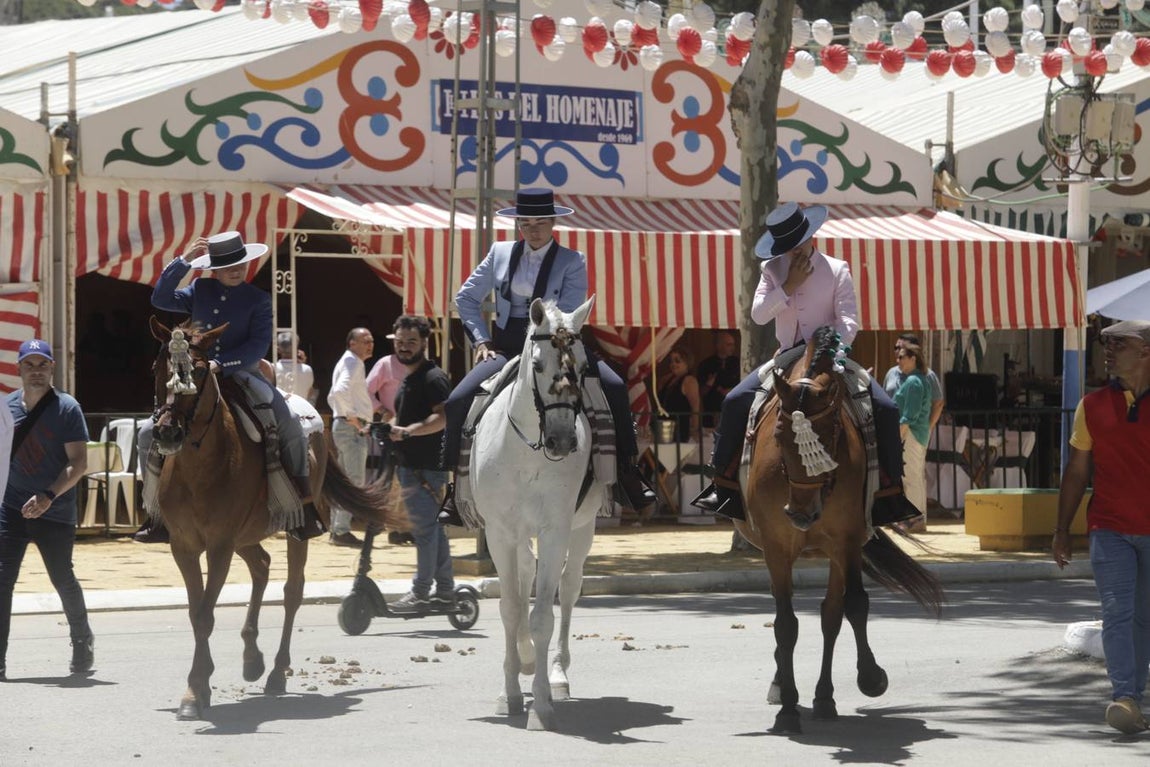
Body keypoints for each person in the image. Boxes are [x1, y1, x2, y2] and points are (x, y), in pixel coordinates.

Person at [692, 202, 917, 526]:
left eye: (797, 244)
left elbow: (849, 321)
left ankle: (891, 494)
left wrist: (831, 355)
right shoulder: (771, 271)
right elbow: (757, 314)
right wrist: (789, 285)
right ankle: (722, 486)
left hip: (831, 354)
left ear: (811, 237)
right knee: (735, 400)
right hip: (787, 355)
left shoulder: (837, 269)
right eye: (786, 247)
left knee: (885, 407)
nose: (792, 252)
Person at [438, 188, 655, 523]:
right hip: (507, 347)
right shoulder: (499, 253)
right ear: (518, 224)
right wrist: (481, 340)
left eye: (540, 222)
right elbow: (465, 298)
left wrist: (550, 345)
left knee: (613, 386)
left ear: (553, 222)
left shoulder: (572, 260)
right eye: (526, 222)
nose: (532, 228)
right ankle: (455, 492)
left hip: (557, 347)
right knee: (457, 400)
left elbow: (567, 315)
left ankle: (628, 474)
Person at [137, 232, 325, 544]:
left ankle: (301, 506)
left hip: (242, 374)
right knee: (147, 432)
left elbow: (256, 346)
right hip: (196, 377)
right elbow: (159, 299)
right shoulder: (200, 288)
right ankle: (155, 510)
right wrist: (183, 261)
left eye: (239, 263)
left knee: (288, 422)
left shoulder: (258, 299)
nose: (235, 270)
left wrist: (221, 365)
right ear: (212, 268)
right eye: (226, 265)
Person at [1054, 320, 1150, 735]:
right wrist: (1061, 528)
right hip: (1108, 526)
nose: (1108, 351)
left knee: (1143, 618)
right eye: (1105, 343)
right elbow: (1077, 472)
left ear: (1146, 351)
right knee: (1117, 612)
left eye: (1119, 344)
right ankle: (1124, 696)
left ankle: (1136, 698)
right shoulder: (1090, 406)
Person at [0, 340, 93, 680]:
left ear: (52, 368)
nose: (36, 371)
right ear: (18, 369)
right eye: (29, 365)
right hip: (10, 509)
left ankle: (82, 643)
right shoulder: (6, 406)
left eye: (42, 365)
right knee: (2, 582)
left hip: (53, 509)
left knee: (62, 579)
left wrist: (47, 496)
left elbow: (79, 463)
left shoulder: (67, 408)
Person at [383, 315, 454, 608]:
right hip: (411, 467)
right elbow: (404, 416)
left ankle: (421, 592)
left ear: (424, 343)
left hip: (427, 468)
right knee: (433, 530)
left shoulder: (433, 377)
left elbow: (443, 417)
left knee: (424, 531)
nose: (405, 347)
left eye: (411, 342)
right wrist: (388, 425)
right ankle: (446, 591)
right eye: (400, 342)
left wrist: (409, 431)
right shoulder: (410, 378)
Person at [327, 327, 375, 547]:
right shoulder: (353, 362)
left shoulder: (348, 361)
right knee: (354, 481)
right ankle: (340, 530)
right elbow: (338, 391)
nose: (370, 344)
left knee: (346, 479)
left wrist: (344, 415)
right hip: (350, 427)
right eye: (365, 340)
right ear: (351, 343)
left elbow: (332, 395)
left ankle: (337, 529)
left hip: (343, 426)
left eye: (371, 341)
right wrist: (352, 418)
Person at [893, 343, 932, 527]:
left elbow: (909, 415)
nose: (898, 360)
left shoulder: (913, 382)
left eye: (901, 357)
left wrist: (898, 437)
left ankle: (915, 518)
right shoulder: (920, 379)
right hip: (917, 433)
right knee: (915, 475)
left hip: (911, 434)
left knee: (911, 476)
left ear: (912, 358)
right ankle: (918, 517)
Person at [883, 332, 945, 433]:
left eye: (902, 348)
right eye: (896, 348)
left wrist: (928, 428)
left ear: (913, 353)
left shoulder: (927, 375)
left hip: (913, 433)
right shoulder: (891, 373)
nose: (898, 351)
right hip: (890, 429)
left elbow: (938, 403)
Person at [657, 345, 701, 443]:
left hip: (680, 429)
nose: (673, 364)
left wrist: (694, 429)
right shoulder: (667, 379)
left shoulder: (690, 381)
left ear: (687, 363)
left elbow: (695, 407)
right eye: (671, 361)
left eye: (677, 361)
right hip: (663, 428)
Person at [697, 331, 740, 427]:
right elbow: (700, 392)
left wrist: (732, 391)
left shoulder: (738, 364)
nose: (732, 348)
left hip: (732, 411)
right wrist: (709, 384)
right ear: (719, 345)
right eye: (729, 344)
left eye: (733, 344)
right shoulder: (706, 364)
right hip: (711, 412)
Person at [274, 331, 318, 406]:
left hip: (278, 413)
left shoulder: (271, 368)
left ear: (278, 349)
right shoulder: (307, 369)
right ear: (297, 349)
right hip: (301, 412)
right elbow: (310, 392)